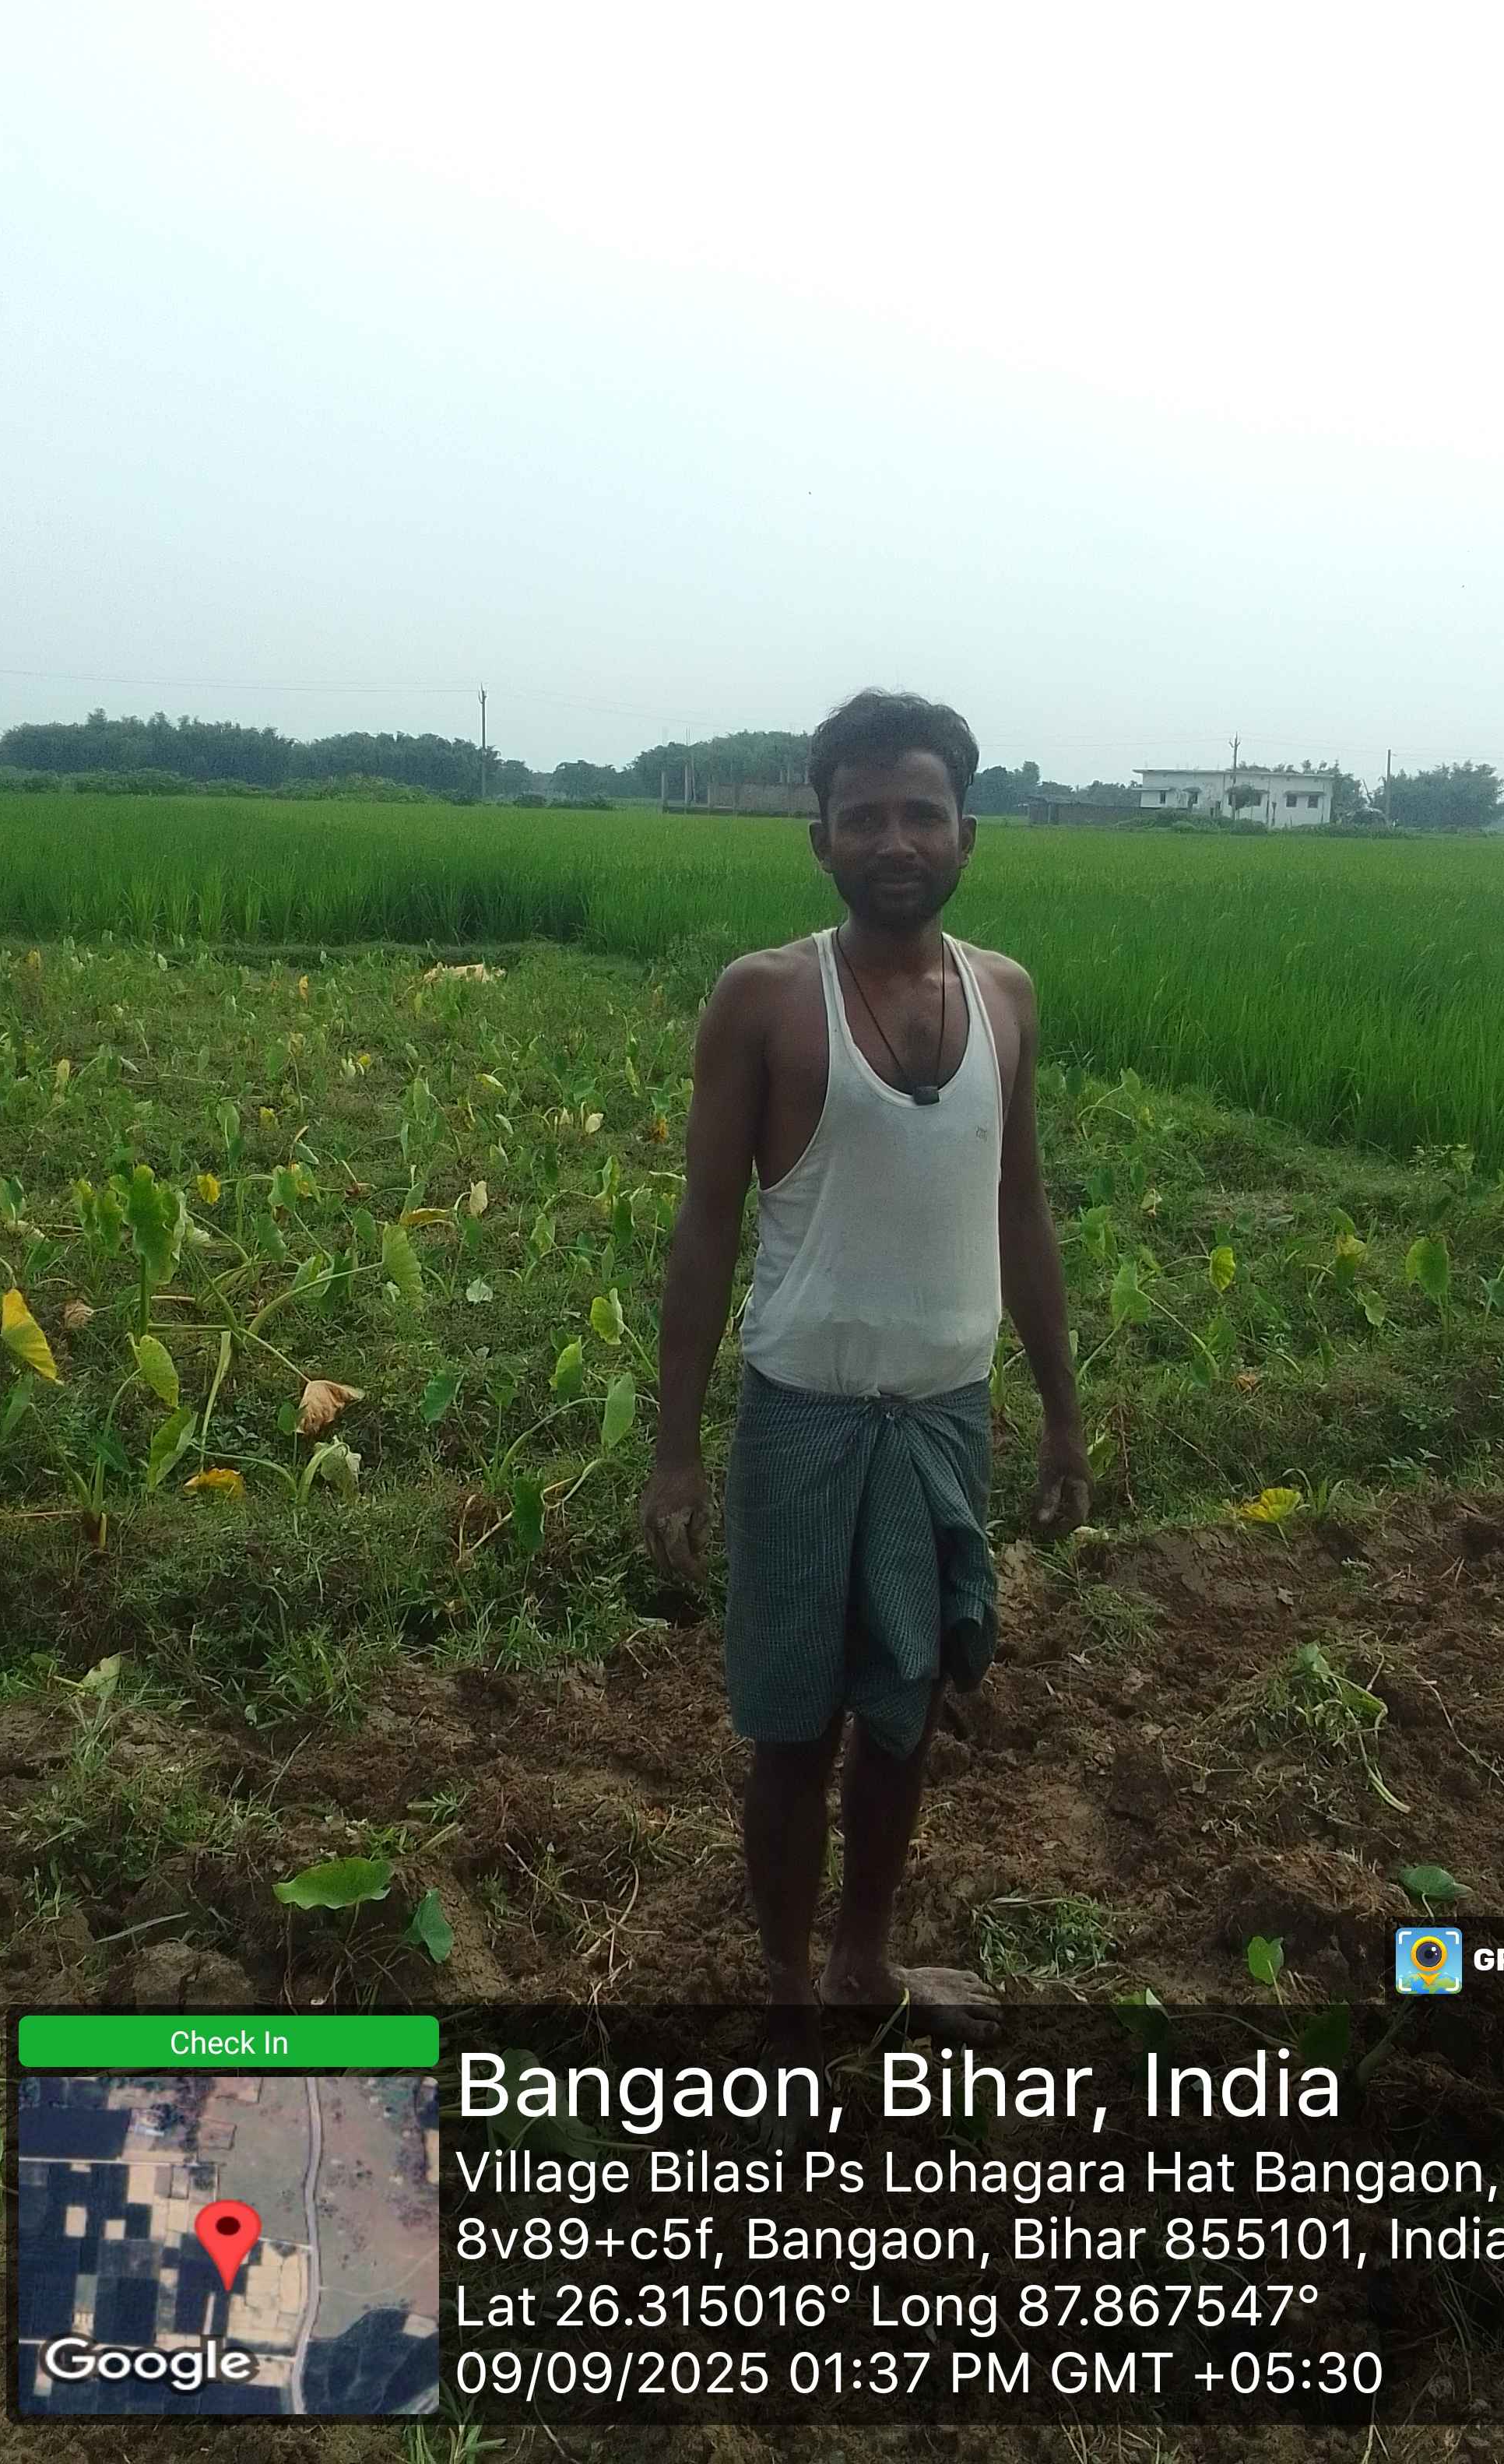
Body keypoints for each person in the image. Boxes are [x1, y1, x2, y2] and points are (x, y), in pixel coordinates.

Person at [638, 688, 1091, 2040]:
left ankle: (865, 1967)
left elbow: (1022, 1209)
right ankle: (789, 1989)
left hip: (946, 1418)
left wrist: (1063, 1418)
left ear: (967, 835)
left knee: (907, 1711)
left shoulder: (1005, 996)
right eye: (866, 817)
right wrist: (674, 1452)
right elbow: (705, 1227)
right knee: (794, 1729)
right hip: (806, 1420)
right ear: (822, 840)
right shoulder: (768, 999)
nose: (897, 841)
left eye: (923, 815)